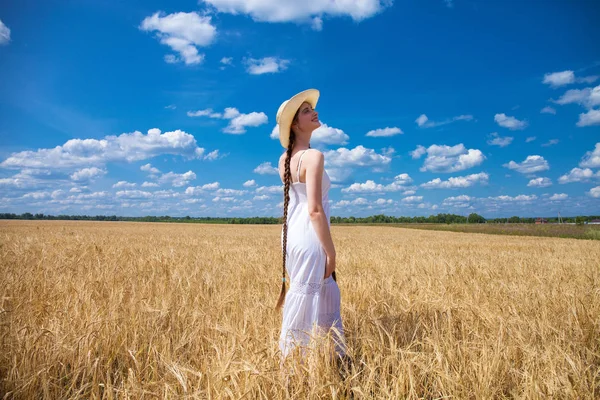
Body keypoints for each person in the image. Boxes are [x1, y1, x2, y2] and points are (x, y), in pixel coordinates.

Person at [275, 88, 346, 361]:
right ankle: (320, 363)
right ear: (295, 124)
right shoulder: (314, 157)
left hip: (291, 236)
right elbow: (315, 210)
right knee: (320, 298)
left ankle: (293, 364)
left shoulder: (284, 160)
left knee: (301, 298)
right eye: (306, 111)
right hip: (310, 237)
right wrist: (331, 252)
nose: (314, 112)